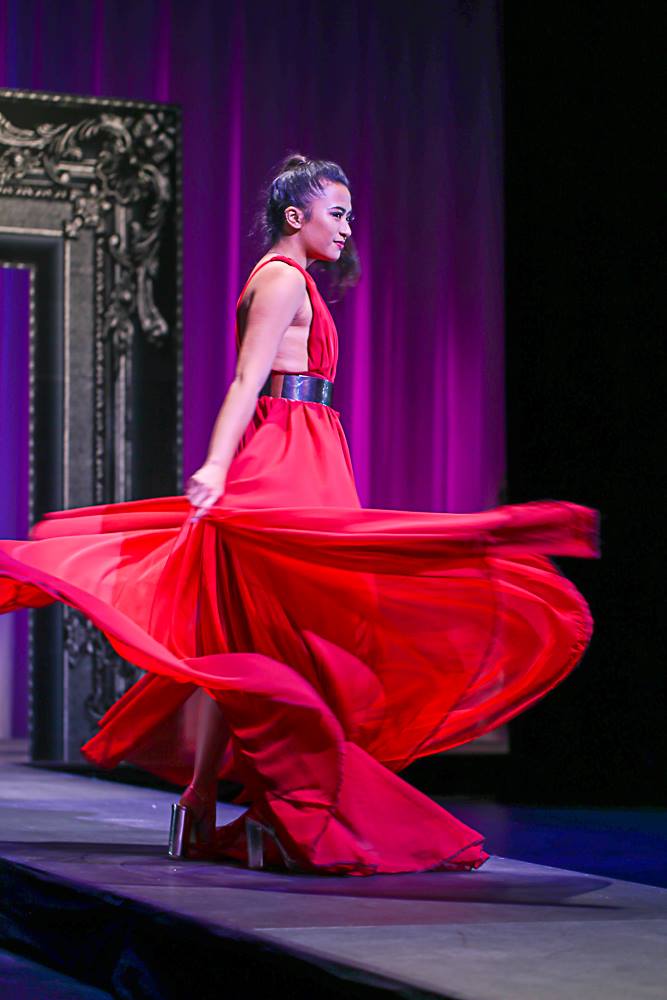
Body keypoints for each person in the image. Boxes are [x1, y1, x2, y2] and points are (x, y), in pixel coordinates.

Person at [0, 154, 599, 876]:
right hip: (285, 455)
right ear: (296, 216)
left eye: (349, 215)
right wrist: (216, 465)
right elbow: (246, 379)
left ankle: (204, 805)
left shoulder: (295, 279)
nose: (347, 228)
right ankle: (264, 806)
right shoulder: (283, 278)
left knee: (253, 643)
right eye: (336, 213)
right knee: (293, 634)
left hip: (310, 448)